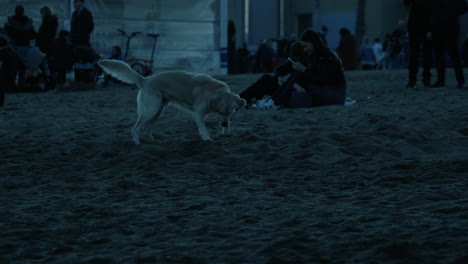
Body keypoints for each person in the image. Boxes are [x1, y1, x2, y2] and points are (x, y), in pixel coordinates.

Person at [249, 29, 347, 109]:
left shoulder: (327, 56)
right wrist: (279, 76)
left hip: (335, 95)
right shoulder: (312, 55)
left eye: (306, 46)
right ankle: (272, 101)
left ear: (313, 42)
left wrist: (304, 69)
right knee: (296, 76)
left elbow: (322, 79)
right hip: (325, 92)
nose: (305, 49)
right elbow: (285, 67)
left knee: (299, 74)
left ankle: (274, 102)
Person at [430, 0, 467, 89]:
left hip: (450, 27)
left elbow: (463, 8)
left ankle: (460, 80)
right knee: (440, 54)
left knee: (453, 54)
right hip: (438, 26)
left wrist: (450, 13)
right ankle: (441, 80)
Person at [404, 0, 432, 88]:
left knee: (421, 54)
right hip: (417, 25)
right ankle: (416, 79)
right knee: (416, 54)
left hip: (421, 24)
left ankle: (418, 79)